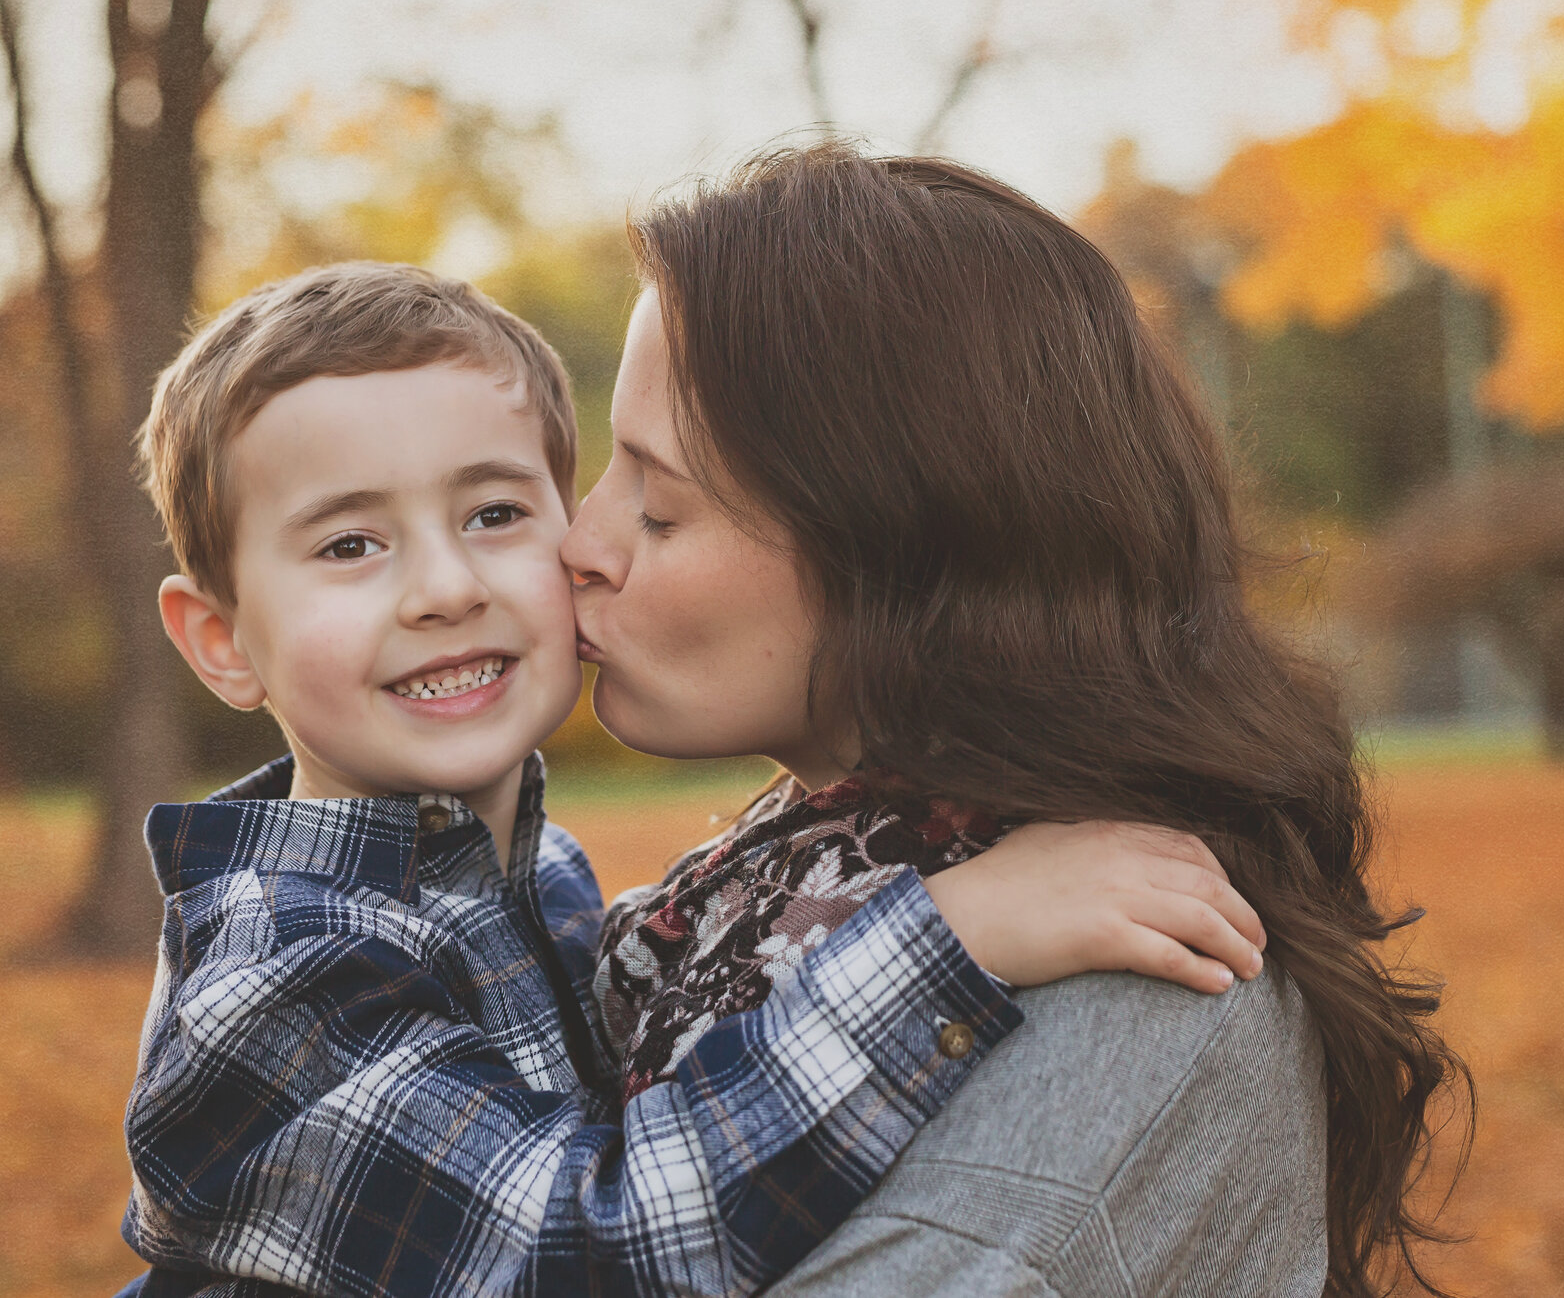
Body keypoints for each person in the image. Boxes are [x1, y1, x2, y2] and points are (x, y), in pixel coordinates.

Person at [114, 260, 1266, 1298]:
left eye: (496, 512)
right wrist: (944, 941)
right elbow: (590, 1252)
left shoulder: (535, 876)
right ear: (219, 639)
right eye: (350, 545)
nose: (445, 585)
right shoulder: (281, 975)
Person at [565, 143, 1465, 1298]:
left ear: (901, 550)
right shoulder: (768, 894)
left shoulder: (1130, 987)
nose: (578, 543)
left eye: (656, 506)